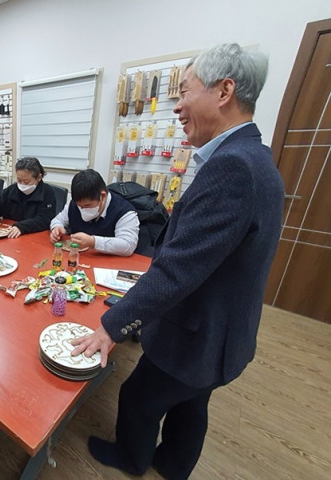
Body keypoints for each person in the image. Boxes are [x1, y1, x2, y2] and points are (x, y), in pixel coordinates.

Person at [70, 43, 284, 479]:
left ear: (224, 91)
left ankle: (133, 460)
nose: (177, 106)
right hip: (223, 333)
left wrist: (111, 327)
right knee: (192, 402)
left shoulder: (234, 168)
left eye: (184, 91)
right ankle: (173, 464)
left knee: (137, 396)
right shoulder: (255, 157)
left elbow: (176, 268)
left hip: (199, 334)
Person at [49, 169, 139, 255]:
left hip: (108, 264)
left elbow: (128, 245)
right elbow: (58, 219)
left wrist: (93, 242)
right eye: (79, 206)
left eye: (87, 206)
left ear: (103, 196)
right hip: (76, 258)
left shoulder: (125, 212)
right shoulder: (74, 203)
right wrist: (56, 228)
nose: (82, 209)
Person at [0, 157, 56, 238]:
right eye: (19, 180)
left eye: (26, 181)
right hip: (10, 233)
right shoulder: (12, 190)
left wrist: (22, 227)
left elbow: (45, 220)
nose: (22, 184)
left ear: (39, 177)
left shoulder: (47, 192)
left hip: (34, 236)